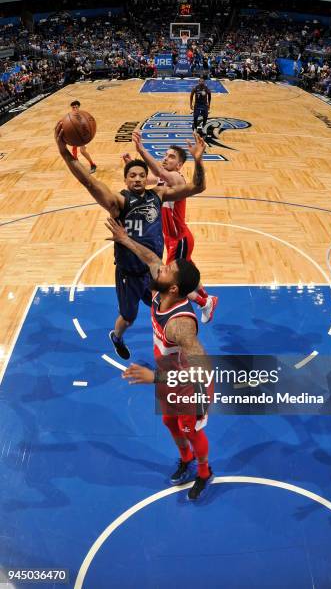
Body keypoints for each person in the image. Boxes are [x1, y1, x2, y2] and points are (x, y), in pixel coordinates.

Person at [55, 122, 207, 360]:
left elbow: (198, 187)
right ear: (126, 180)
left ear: (147, 178)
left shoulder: (159, 195)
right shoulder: (119, 202)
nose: (137, 179)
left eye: (141, 175)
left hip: (155, 271)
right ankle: (116, 336)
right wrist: (65, 152)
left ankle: (175, 339)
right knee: (129, 317)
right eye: (132, 175)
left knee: (164, 305)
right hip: (129, 275)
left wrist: (198, 160)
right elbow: (89, 182)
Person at [105, 217, 213, 501]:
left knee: (190, 430)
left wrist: (154, 377)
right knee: (169, 422)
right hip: (170, 378)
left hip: (191, 387)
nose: (161, 266)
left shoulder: (180, 325)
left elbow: (204, 371)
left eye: (168, 269)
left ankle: (204, 471)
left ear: (174, 288)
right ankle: (185, 458)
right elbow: (151, 256)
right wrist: (125, 239)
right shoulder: (160, 287)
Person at [123, 130, 218, 323]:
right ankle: (208, 298)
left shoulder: (177, 179)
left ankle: (202, 302)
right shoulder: (162, 180)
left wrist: (141, 149)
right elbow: (144, 181)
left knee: (170, 281)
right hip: (178, 238)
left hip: (178, 239)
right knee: (188, 268)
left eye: (171, 157)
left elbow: (158, 171)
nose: (166, 159)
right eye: (165, 155)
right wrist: (130, 166)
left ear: (180, 165)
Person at [70, 101, 97, 173]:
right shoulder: (70, 116)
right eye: (73, 107)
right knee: (74, 148)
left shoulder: (82, 115)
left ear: (78, 107)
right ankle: (77, 165)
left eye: (76, 107)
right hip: (76, 135)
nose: (74, 108)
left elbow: (89, 123)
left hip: (84, 135)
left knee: (82, 151)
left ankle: (93, 165)